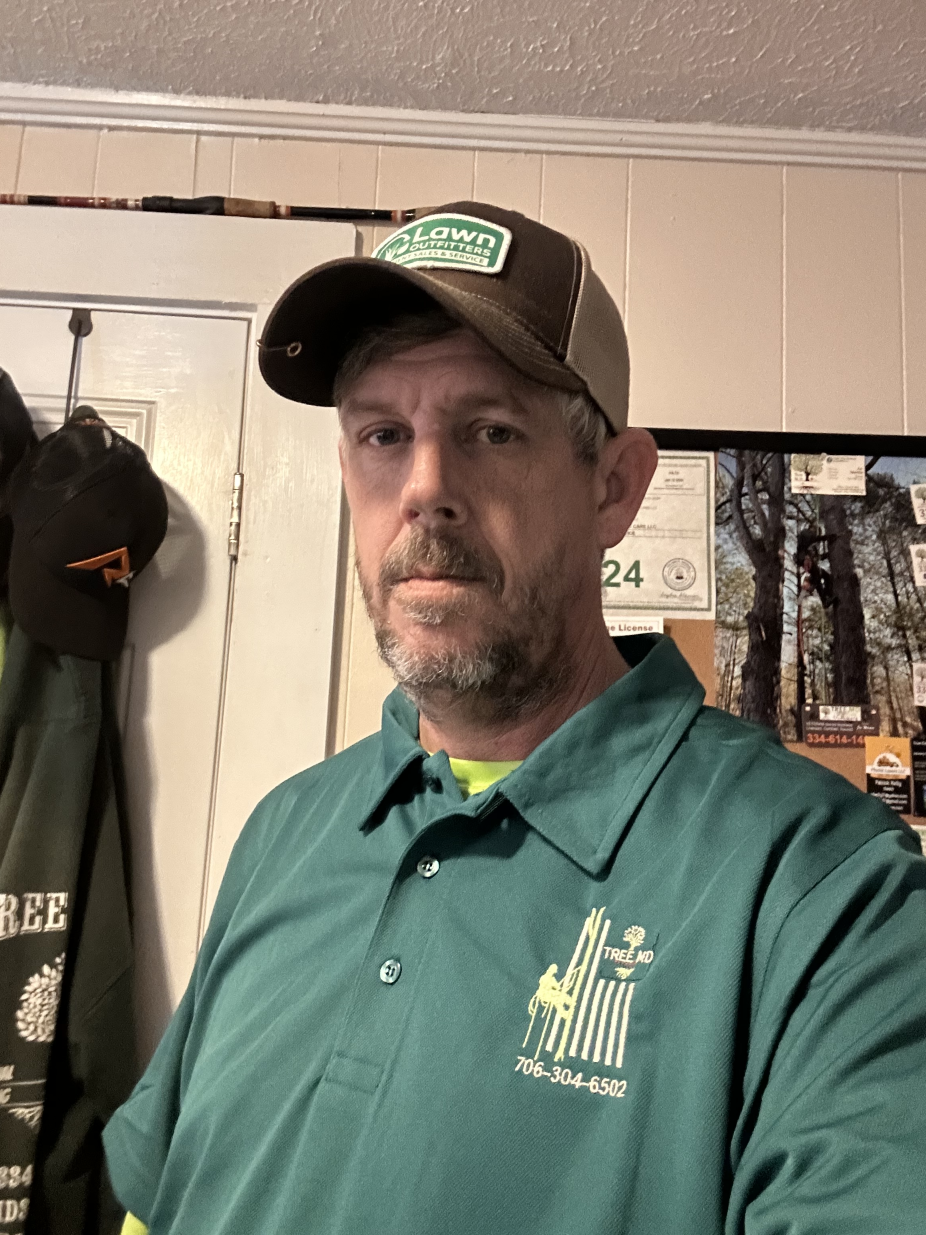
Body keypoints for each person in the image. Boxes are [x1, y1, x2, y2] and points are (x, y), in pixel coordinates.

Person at [103, 202, 926, 1235]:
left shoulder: (826, 891)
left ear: (614, 487)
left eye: (489, 431)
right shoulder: (286, 829)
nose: (425, 488)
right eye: (381, 435)